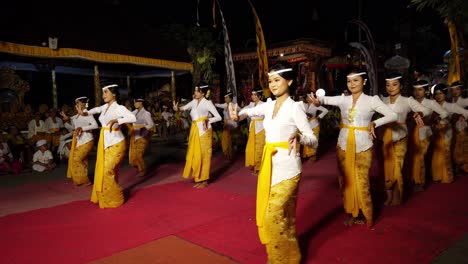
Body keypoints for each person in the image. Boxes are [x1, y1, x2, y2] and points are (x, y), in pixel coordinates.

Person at [236, 63, 317, 264]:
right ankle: (285, 257)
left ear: (289, 81)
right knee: (284, 217)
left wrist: (300, 137)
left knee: (272, 216)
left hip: (289, 169)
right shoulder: (268, 105)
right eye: (270, 80)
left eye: (277, 80)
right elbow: (247, 111)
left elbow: (313, 139)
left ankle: (282, 259)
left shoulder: (295, 107)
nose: (272, 84)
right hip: (269, 168)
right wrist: (237, 114)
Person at [310, 70, 397, 227]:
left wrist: (375, 123)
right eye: (349, 81)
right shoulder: (344, 100)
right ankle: (352, 211)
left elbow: (392, 115)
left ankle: (366, 214)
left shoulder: (372, 100)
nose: (352, 84)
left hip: (363, 145)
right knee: (346, 180)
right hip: (343, 144)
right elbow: (325, 99)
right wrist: (318, 101)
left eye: (356, 80)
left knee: (361, 181)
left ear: (363, 82)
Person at [78, 84, 136, 208]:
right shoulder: (104, 107)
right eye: (103, 92)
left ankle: (116, 198)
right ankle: (107, 197)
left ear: (113, 94)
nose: (103, 95)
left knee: (107, 171)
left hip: (117, 143)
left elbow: (133, 117)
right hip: (105, 143)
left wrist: (117, 120)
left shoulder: (119, 108)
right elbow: (95, 110)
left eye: (106, 92)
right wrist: (85, 113)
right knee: (107, 171)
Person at [379, 73, 430, 205]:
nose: (390, 87)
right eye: (388, 85)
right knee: (386, 166)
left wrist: (420, 113)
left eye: (394, 84)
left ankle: (397, 194)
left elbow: (427, 110)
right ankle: (388, 195)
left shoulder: (407, 100)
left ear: (401, 86)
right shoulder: (381, 100)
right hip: (385, 137)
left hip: (401, 136)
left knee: (397, 166)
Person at [173, 84, 222, 188]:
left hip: (204, 131)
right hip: (194, 130)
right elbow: (183, 108)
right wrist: (177, 108)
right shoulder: (194, 102)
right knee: (195, 156)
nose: (195, 93)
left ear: (203, 93)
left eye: (197, 91)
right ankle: (198, 177)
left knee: (204, 156)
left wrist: (208, 119)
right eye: (195, 91)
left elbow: (218, 117)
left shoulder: (208, 103)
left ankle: (204, 180)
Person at [409, 80, 449, 191]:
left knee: (420, 156)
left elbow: (445, 113)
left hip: (425, 131)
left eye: (420, 89)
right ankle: (413, 178)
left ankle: (419, 181)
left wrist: (436, 119)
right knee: (412, 156)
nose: (417, 92)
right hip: (411, 131)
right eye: (415, 89)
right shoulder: (411, 102)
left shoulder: (430, 103)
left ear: (426, 91)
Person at [431, 83, 468, 183]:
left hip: (447, 132)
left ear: (445, 94)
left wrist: (463, 117)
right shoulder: (432, 105)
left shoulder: (451, 106)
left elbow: (466, 112)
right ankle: (438, 175)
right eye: (437, 94)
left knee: (446, 153)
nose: (439, 96)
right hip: (435, 132)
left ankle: (447, 176)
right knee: (437, 152)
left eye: (441, 94)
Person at [61, 97, 99, 186]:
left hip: (87, 140)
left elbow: (95, 125)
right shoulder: (76, 116)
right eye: (76, 103)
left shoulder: (87, 114)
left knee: (76, 158)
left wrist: (83, 128)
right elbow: (72, 128)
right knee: (83, 160)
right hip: (79, 140)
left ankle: (85, 180)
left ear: (83, 104)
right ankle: (82, 181)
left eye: (78, 103)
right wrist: (67, 120)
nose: (76, 105)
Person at [239, 90, 265, 174]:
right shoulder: (251, 105)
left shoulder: (264, 104)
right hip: (252, 128)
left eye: (255, 95)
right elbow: (244, 113)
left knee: (259, 149)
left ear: (259, 96)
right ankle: (256, 167)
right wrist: (237, 118)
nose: (253, 96)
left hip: (261, 128)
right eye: (252, 95)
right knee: (252, 148)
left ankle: (259, 169)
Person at [129, 97, 154, 177]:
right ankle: (139, 166)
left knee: (138, 155)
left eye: (136, 102)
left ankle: (142, 170)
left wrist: (143, 127)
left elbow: (151, 124)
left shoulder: (146, 113)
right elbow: (127, 116)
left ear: (141, 103)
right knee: (132, 157)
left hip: (142, 136)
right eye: (134, 102)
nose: (134, 104)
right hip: (135, 136)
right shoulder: (134, 112)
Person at [301, 91, 329, 161]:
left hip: (314, 124)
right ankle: (306, 154)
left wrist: (319, 116)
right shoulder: (302, 104)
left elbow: (326, 110)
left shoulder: (316, 105)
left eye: (309, 97)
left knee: (313, 140)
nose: (308, 98)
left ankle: (313, 156)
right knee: (306, 140)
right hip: (306, 125)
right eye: (307, 97)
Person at [449, 81, 468, 173]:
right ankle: (455, 165)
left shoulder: (465, 100)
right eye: (452, 90)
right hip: (451, 126)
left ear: (461, 90)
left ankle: (463, 165)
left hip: (461, 126)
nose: (455, 92)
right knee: (453, 145)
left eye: (457, 89)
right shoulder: (449, 101)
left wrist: (463, 116)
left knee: (462, 145)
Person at [215, 93, 241, 160]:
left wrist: (237, 116)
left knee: (229, 140)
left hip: (232, 124)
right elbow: (217, 105)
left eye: (227, 98)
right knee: (225, 140)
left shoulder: (234, 105)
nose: (225, 99)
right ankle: (228, 154)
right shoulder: (224, 105)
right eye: (225, 98)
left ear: (230, 98)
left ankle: (230, 154)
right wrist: (211, 103)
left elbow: (241, 110)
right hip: (226, 124)